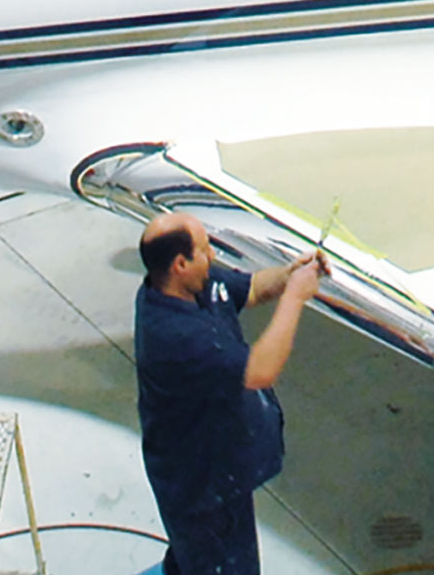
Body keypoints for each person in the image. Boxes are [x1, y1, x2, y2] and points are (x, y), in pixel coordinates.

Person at [134, 212, 329, 575]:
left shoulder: (192, 284)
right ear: (180, 264)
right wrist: (296, 298)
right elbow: (260, 370)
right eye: (205, 250)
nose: (212, 257)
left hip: (222, 465)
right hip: (201, 487)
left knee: (196, 559)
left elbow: (251, 288)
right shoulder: (175, 334)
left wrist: (288, 276)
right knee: (219, 562)